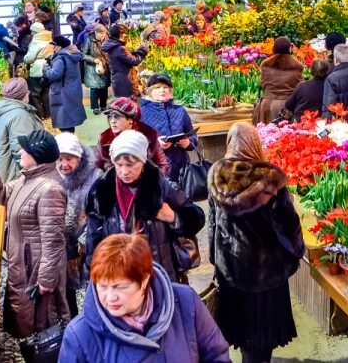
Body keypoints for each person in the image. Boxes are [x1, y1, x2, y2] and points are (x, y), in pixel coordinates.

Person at [208, 123, 304, 363]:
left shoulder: (217, 174)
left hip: (231, 271)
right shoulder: (270, 178)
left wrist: (216, 258)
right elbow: (287, 226)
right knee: (262, 334)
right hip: (266, 274)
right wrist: (296, 255)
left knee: (241, 329)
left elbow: (212, 224)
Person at [59, 234, 230, 362]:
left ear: (144, 280)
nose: (110, 297)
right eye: (102, 286)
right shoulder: (79, 335)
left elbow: (217, 355)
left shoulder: (186, 302)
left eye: (120, 287)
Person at [0, 130, 70, 356]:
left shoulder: (50, 189)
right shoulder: (28, 179)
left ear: (37, 155)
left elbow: (54, 240)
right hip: (23, 265)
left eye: (24, 149)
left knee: (45, 326)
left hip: (36, 271)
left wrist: (46, 279)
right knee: (29, 324)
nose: (19, 152)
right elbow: (2, 195)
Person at [84, 130, 206, 283]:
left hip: (158, 271)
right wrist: (93, 276)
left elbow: (197, 217)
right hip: (119, 272)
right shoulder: (102, 190)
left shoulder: (161, 185)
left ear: (142, 161)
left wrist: (173, 217)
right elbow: (93, 237)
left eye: (131, 164)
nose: (124, 171)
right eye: (119, 164)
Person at [55, 132, 106, 318]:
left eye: (69, 158)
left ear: (80, 158)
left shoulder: (96, 178)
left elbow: (100, 213)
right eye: (59, 159)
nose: (64, 164)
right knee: (67, 288)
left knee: (92, 286)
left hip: (88, 243)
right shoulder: (53, 177)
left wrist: (85, 240)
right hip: (64, 244)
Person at [140, 75, 198, 184]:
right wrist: (156, 145)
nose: (162, 90)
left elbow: (193, 136)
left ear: (170, 91)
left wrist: (189, 143)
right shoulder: (142, 113)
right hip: (154, 170)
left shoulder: (180, 111)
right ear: (150, 91)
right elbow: (136, 142)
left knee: (182, 199)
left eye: (165, 87)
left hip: (182, 170)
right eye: (157, 87)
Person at [96, 98, 171, 178]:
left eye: (117, 117)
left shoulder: (149, 134)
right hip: (115, 186)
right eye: (110, 117)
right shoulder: (104, 138)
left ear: (131, 120)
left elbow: (162, 164)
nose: (112, 121)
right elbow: (96, 167)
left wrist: (153, 183)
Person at [0, 78, 45, 184]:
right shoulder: (19, 115)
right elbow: (22, 151)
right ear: (25, 94)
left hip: (4, 171)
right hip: (17, 177)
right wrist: (35, 177)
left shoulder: (1, 111)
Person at [253, 37, 304, 125]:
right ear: (289, 48)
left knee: (265, 134)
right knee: (285, 135)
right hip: (287, 107)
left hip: (267, 105)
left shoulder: (266, 64)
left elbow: (263, 84)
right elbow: (299, 87)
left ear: (274, 48)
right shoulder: (297, 66)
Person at [44, 35, 87, 133]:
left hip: (62, 92)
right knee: (70, 121)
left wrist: (46, 67)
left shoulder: (60, 58)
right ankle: (71, 139)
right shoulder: (72, 55)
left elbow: (54, 75)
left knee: (64, 122)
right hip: (73, 90)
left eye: (54, 45)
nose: (53, 47)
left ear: (60, 46)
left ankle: (68, 143)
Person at [102, 24, 149, 99]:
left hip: (119, 81)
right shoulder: (119, 48)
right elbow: (134, 61)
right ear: (118, 34)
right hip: (125, 82)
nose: (126, 35)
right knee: (128, 106)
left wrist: (139, 50)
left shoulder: (113, 46)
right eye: (124, 33)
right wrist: (143, 50)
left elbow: (128, 57)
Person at [24, 22, 53, 119]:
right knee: (46, 93)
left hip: (37, 69)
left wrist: (25, 58)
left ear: (35, 32)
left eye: (32, 31)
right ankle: (48, 114)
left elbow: (30, 58)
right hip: (48, 67)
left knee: (35, 93)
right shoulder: (49, 39)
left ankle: (39, 115)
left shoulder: (36, 41)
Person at [82, 24, 110, 115]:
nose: (102, 35)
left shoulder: (107, 39)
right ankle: (95, 107)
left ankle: (103, 105)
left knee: (104, 87)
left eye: (104, 33)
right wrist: (93, 59)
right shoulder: (89, 40)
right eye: (100, 33)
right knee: (94, 89)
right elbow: (83, 55)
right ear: (95, 33)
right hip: (93, 68)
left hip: (105, 66)